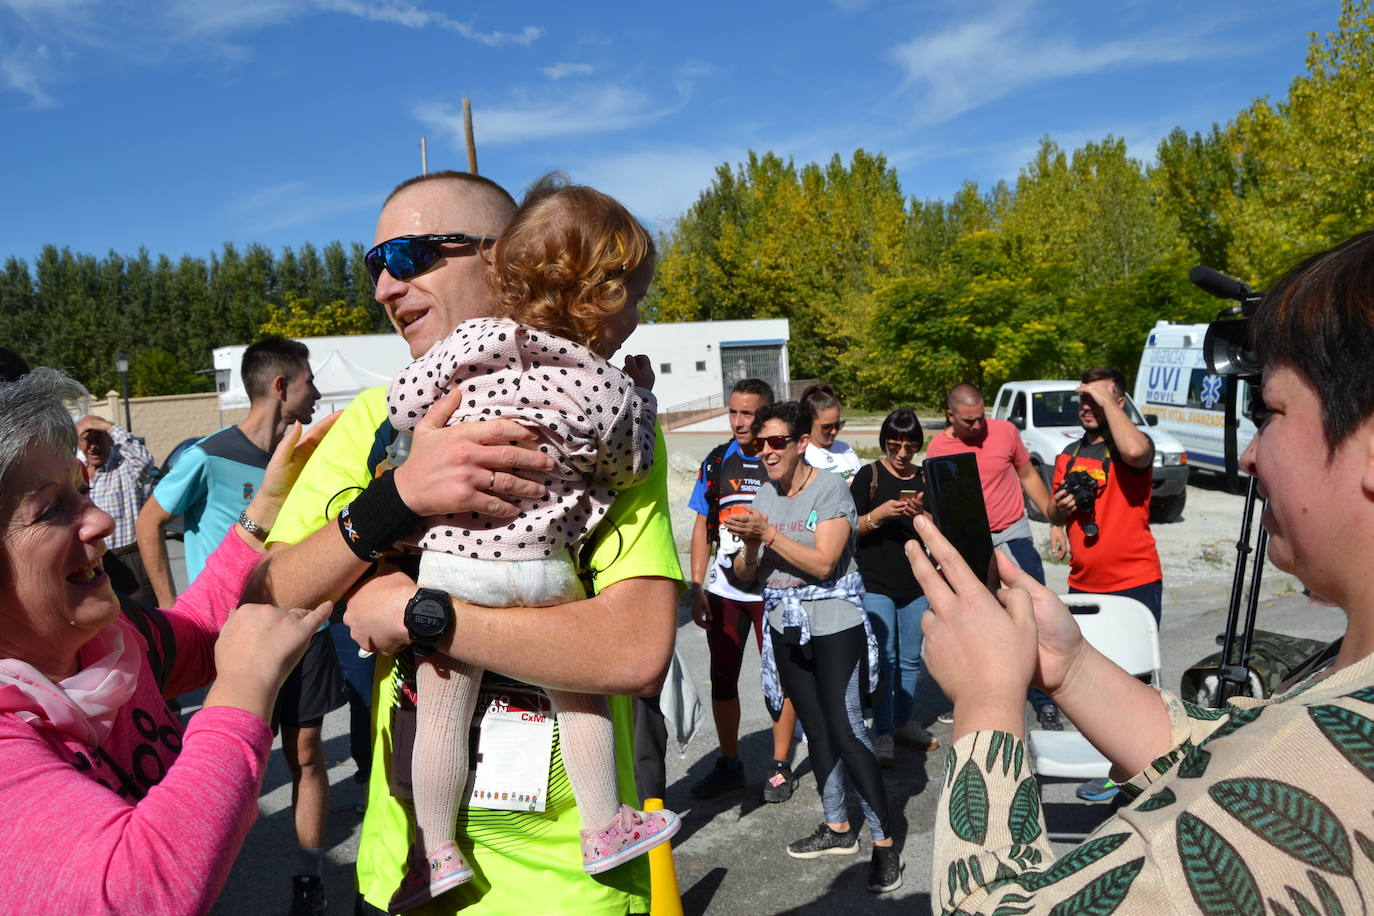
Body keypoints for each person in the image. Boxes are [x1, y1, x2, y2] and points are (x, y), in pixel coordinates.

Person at [243, 169, 681, 916]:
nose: (384, 286)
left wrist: (425, 616)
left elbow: (634, 652)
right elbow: (268, 595)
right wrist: (399, 497)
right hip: (399, 882)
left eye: (410, 256)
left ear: (501, 257)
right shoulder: (373, 422)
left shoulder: (594, 402)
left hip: (566, 896)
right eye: (372, 264)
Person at [918, 231, 1374, 913]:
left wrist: (985, 701)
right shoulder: (1344, 689)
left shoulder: (1308, 793)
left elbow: (1262, 787)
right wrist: (1069, 667)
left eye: (1270, 411)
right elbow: (1234, 756)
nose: (1248, 459)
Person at [383, 183, 677, 912]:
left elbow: (406, 406)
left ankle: (437, 852)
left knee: (442, 720)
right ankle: (604, 823)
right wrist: (641, 401)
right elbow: (627, 468)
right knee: (579, 699)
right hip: (544, 569)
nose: (636, 316)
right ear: (601, 300)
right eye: (634, 299)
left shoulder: (473, 343)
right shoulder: (605, 385)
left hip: (454, 566)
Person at [0, 367, 334, 915]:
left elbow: (199, 633)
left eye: (82, 491)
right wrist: (240, 695)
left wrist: (264, 509)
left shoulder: (111, 645)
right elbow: (138, 893)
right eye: (52, 509)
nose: (102, 520)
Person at [135, 335, 336, 913]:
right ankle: (211, 883)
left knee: (306, 755)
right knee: (235, 767)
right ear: (280, 387)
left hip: (306, 632)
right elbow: (151, 524)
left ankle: (308, 880)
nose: (316, 392)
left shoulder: (307, 456)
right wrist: (173, 609)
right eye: (307, 381)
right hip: (235, 643)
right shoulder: (206, 454)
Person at [725, 401, 901, 894]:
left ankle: (886, 842)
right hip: (784, 621)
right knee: (817, 732)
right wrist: (752, 546)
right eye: (759, 444)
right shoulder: (763, 492)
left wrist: (769, 533)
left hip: (834, 622)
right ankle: (839, 826)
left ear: (803, 442)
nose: (766, 452)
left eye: (776, 442)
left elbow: (825, 564)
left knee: (847, 731)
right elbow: (744, 574)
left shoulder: (830, 489)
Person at [1046, 366, 1163, 801]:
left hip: (1134, 582)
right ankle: (1114, 768)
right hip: (1085, 584)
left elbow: (1134, 449)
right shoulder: (1069, 455)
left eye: (1096, 399)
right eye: (1083, 399)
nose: (1086, 407)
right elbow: (1054, 515)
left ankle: (1145, 769)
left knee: (1138, 685)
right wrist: (1060, 512)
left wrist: (1109, 400)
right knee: (1095, 687)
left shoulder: (1132, 448)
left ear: (1118, 404)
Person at [925, 383, 1064, 731]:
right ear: (950, 416)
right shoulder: (939, 447)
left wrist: (1054, 520)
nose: (978, 426)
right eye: (969, 421)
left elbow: (1027, 474)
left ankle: (1046, 699)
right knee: (976, 620)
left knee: (1034, 609)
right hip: (972, 542)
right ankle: (975, 695)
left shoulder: (1005, 432)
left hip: (1013, 533)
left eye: (981, 417)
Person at [687, 378, 800, 802]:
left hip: (773, 589)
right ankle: (730, 763)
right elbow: (702, 525)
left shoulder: (783, 460)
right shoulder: (718, 461)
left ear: (767, 414)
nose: (738, 422)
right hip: (725, 592)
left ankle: (779, 765)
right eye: (733, 411)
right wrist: (696, 586)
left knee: (782, 677)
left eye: (748, 413)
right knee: (722, 677)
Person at [849, 408, 938, 766]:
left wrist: (921, 514)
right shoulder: (868, 475)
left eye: (909, 446)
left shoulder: (926, 477)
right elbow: (847, 527)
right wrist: (879, 515)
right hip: (875, 581)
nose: (901, 454)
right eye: (894, 445)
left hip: (915, 581)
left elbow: (941, 528)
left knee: (911, 659)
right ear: (884, 442)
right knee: (884, 659)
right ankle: (883, 731)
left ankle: (904, 722)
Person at [77, 413, 157, 606]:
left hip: (131, 557)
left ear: (109, 438)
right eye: (87, 440)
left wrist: (107, 426)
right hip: (98, 562)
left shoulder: (125, 468)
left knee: (144, 620)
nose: (94, 446)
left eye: (99, 437)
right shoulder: (78, 475)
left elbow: (145, 460)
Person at [800, 383, 861, 483]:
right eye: (826, 427)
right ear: (808, 423)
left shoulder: (845, 449)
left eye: (837, 425)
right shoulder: (803, 455)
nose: (834, 431)